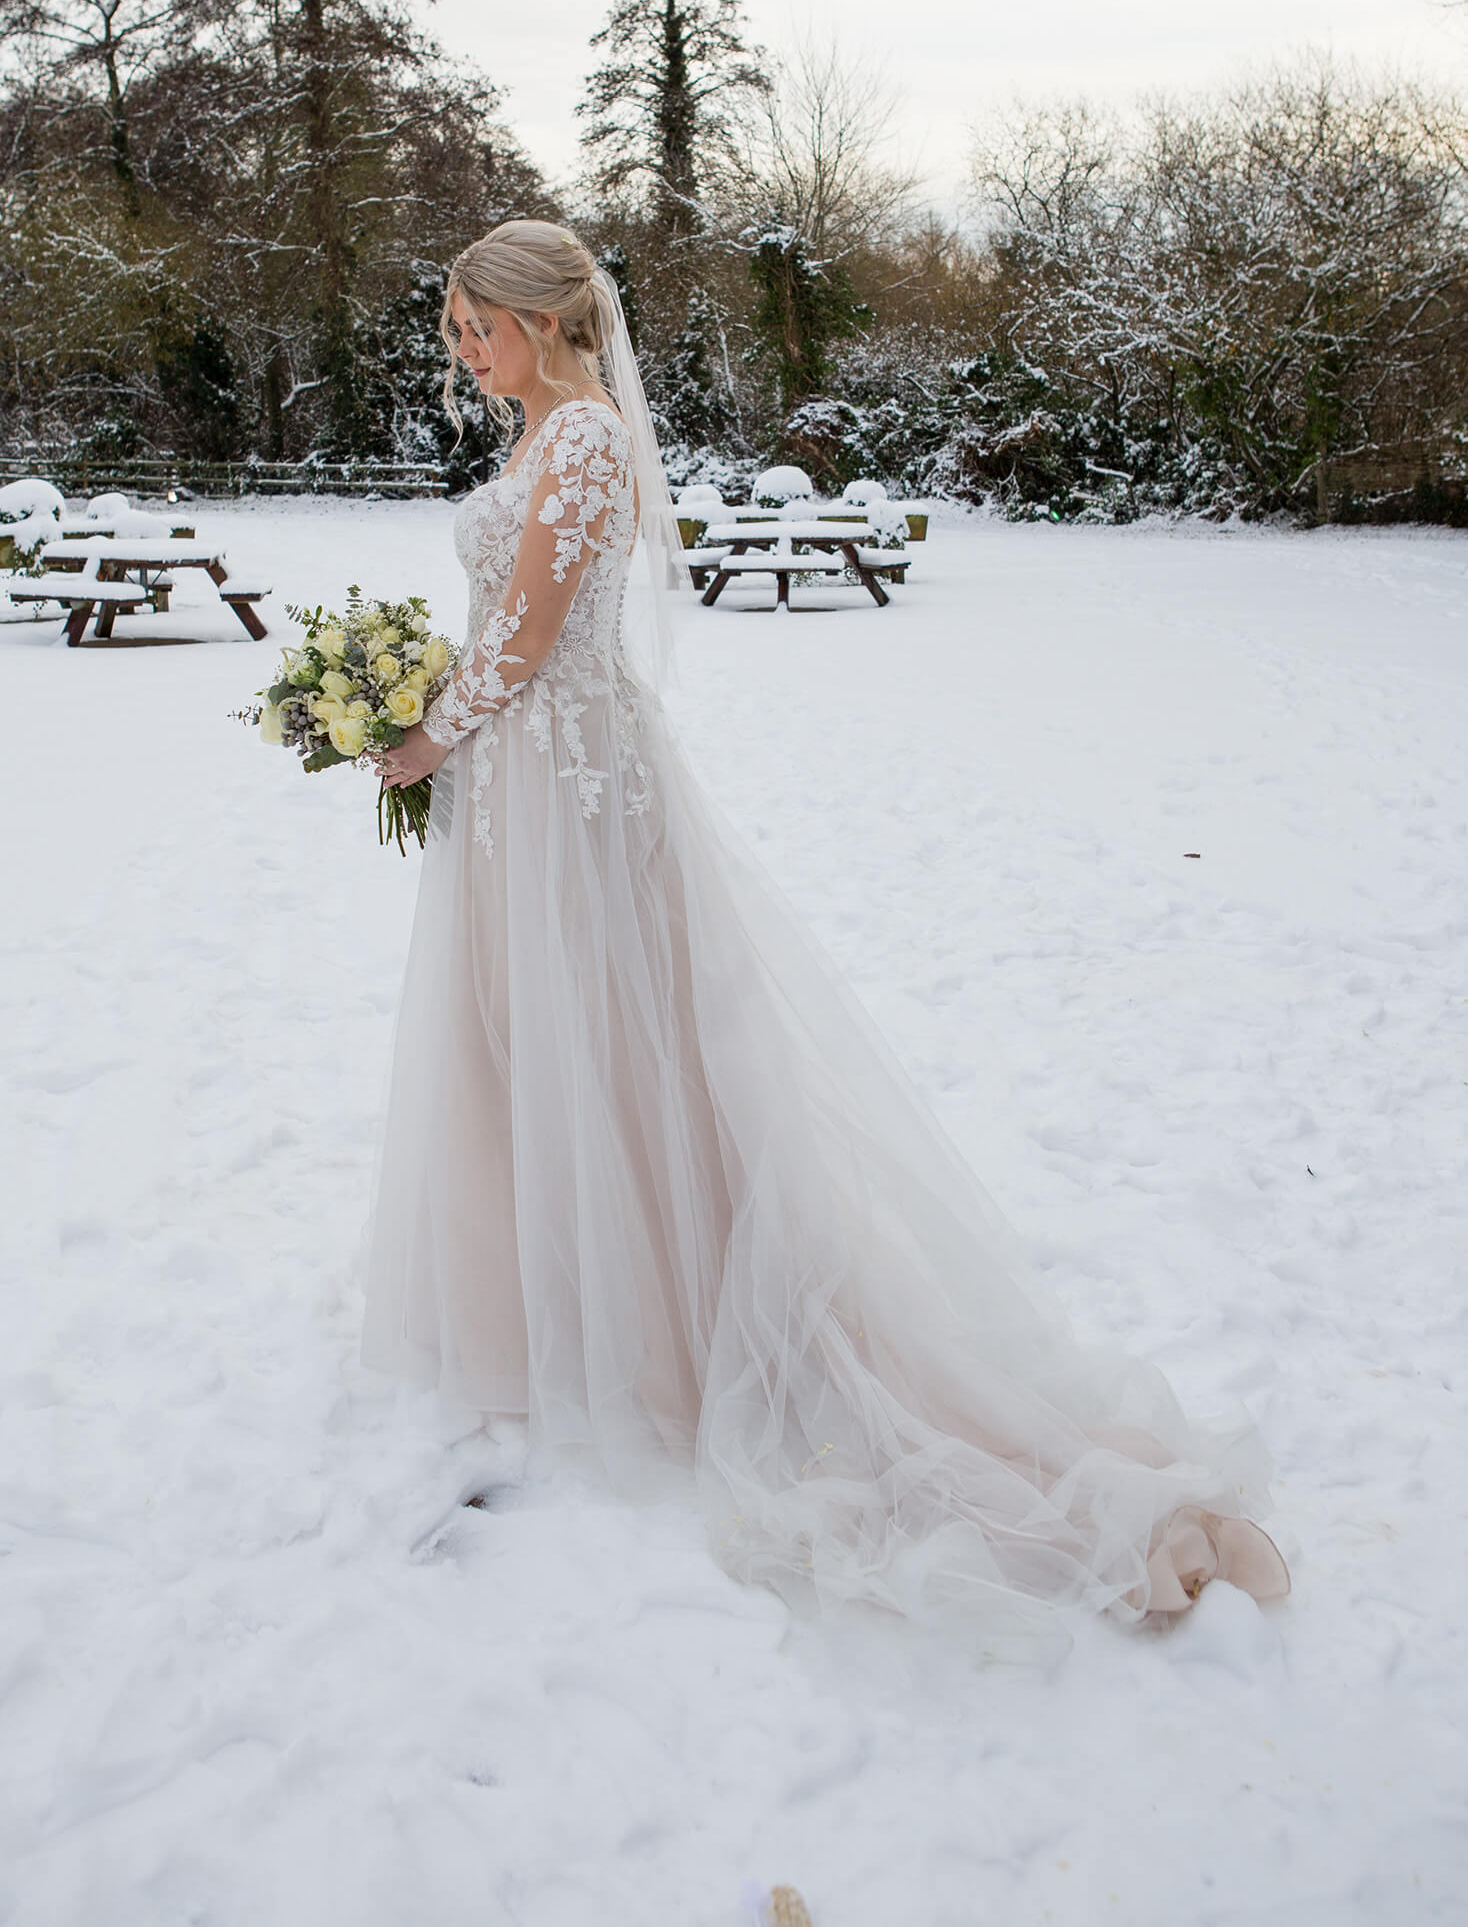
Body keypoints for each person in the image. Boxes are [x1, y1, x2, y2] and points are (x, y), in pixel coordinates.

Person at [366, 220, 1288, 1640]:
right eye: (456, 333)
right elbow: (509, 612)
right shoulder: (538, 435)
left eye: (478, 326)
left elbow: (534, 629)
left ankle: (656, 1317)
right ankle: (545, 1300)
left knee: (616, 1036)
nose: (465, 352)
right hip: (523, 784)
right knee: (528, 1029)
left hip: (569, 781)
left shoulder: (589, 439)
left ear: (551, 317)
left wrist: (422, 731)